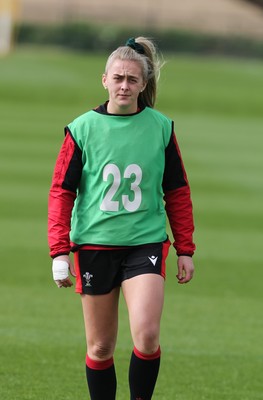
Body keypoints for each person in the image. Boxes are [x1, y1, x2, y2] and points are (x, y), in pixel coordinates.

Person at [48, 36, 195, 400]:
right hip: (94, 245)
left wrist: (186, 248)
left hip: (144, 243)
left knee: (146, 335)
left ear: (143, 84)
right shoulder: (82, 129)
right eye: (118, 78)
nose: (124, 85)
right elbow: (61, 192)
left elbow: (177, 191)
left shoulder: (161, 127)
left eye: (132, 79)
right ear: (104, 80)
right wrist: (59, 251)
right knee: (100, 347)